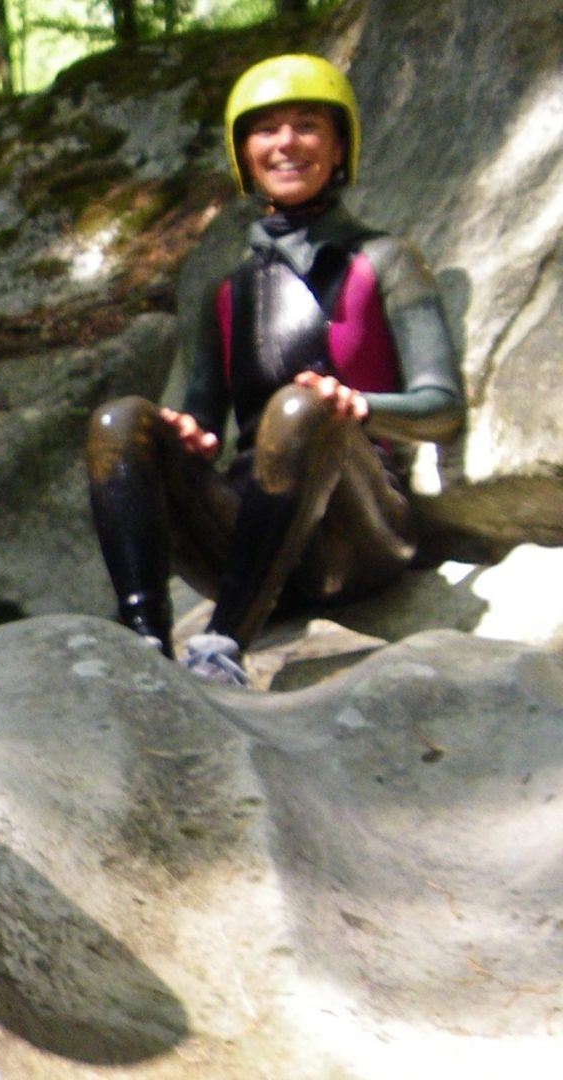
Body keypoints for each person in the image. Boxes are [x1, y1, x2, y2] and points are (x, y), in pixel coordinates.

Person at [84, 54, 464, 685]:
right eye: (266, 129)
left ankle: (223, 645)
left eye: (307, 125)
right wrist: (189, 433)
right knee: (118, 421)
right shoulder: (223, 293)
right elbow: (198, 413)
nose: (286, 142)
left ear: (339, 145)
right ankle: (145, 647)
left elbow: (442, 407)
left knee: (300, 406)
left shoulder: (388, 259)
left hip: (358, 532)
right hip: (245, 530)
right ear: (244, 152)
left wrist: (358, 407)